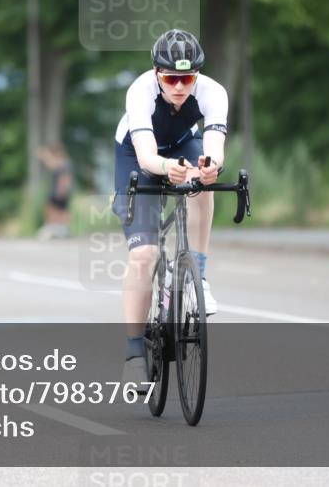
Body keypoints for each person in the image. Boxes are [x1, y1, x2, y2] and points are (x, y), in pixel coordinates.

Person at [111, 29, 228, 390]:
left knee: (203, 181)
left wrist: (210, 167)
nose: (180, 86)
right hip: (136, 153)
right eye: (172, 78)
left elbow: (214, 144)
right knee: (144, 255)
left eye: (187, 78)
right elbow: (147, 156)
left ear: (197, 75)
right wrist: (167, 169)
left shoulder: (213, 92)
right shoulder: (140, 91)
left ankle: (200, 275)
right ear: (157, 73)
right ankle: (134, 355)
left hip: (181, 143)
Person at [36, 143, 73, 239]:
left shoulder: (64, 163)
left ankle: (59, 229)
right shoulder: (65, 162)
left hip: (60, 191)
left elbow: (55, 167)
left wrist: (45, 155)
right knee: (56, 209)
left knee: (57, 209)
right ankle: (58, 229)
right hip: (60, 190)